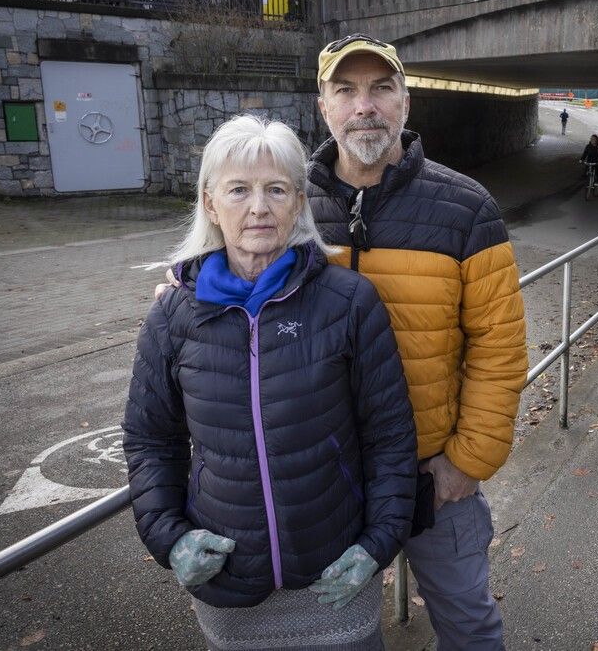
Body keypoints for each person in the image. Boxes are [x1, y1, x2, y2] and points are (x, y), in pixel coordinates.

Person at [158, 34, 528, 649]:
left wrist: (466, 462)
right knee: (341, 633)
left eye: (382, 89)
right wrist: (183, 281)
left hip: (431, 474)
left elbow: (501, 350)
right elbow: (227, 256)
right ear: (323, 107)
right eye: (346, 91)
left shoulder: (466, 209)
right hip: (326, 483)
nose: (365, 107)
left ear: (406, 103)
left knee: (468, 624)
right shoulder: (288, 197)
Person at [126, 114, 418, 651]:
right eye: (238, 190)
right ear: (211, 204)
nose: (258, 207)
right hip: (229, 583)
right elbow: (151, 440)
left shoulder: (350, 302)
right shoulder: (173, 316)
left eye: (276, 189)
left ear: (300, 203)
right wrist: (168, 539)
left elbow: (390, 436)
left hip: (336, 576)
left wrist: (378, 544)